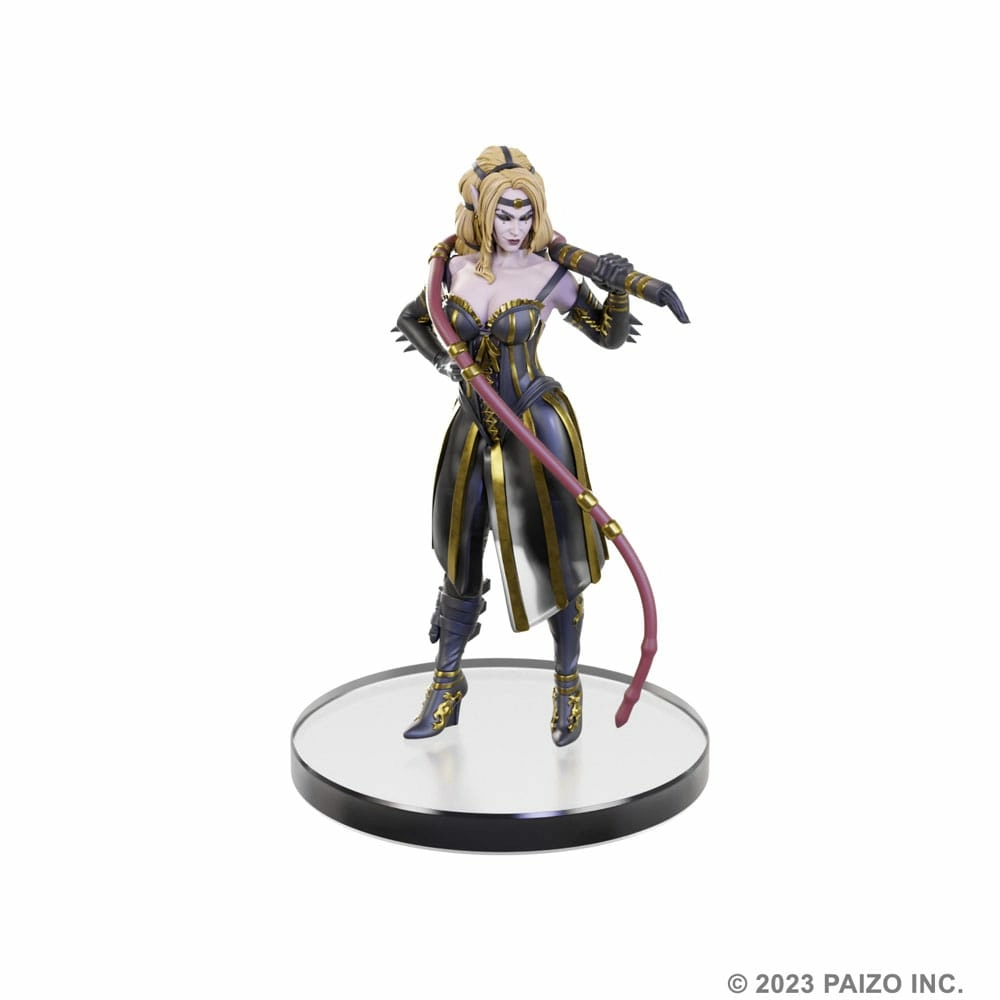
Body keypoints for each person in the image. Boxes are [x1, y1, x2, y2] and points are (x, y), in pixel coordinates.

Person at [394, 145, 639, 746]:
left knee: (557, 558)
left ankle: (568, 685)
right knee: (459, 554)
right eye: (504, 214)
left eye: (526, 214)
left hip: (536, 424)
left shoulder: (549, 275)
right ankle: (446, 685)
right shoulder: (454, 267)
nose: (516, 227)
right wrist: (448, 364)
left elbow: (608, 335)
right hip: (471, 426)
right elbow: (413, 318)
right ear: (482, 212)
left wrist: (617, 287)